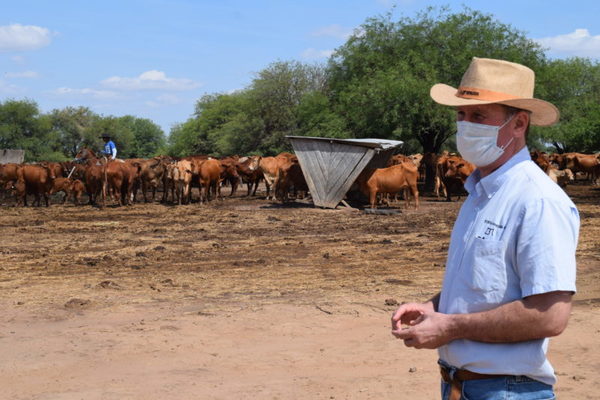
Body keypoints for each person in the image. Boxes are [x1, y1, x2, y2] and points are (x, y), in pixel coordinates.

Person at [391, 57, 579, 400]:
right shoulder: (480, 193)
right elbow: (487, 287)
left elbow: (550, 316)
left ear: (519, 123)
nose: (465, 125)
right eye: (461, 115)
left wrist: (450, 326)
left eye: (478, 116)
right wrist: (434, 307)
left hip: (506, 390)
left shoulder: (537, 200)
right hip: (463, 385)